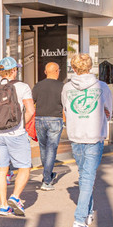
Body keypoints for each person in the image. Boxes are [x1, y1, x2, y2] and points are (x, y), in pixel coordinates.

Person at [62, 53, 111, 227]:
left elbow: (66, 109)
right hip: (94, 136)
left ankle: (88, 212)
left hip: (76, 135)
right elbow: (108, 111)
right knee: (88, 178)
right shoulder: (102, 87)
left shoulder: (67, 87)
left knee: (84, 176)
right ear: (90, 67)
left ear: (74, 68)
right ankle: (79, 220)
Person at [0, 56, 34, 217]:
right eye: (16, 69)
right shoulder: (22, 87)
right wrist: (20, 124)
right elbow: (31, 110)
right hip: (16, 134)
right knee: (24, 167)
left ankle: (3, 206)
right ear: (13, 71)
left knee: (1, 170)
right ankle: (15, 197)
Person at [31, 62, 65, 191]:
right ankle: (46, 181)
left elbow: (32, 102)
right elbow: (66, 105)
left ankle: (48, 175)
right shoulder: (62, 87)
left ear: (45, 72)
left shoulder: (38, 86)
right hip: (55, 119)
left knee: (43, 148)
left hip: (39, 119)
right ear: (57, 71)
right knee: (51, 149)